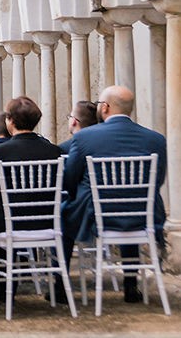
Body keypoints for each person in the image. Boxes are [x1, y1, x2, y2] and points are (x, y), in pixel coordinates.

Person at [61, 86, 167, 303]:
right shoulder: (156, 139)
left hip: (97, 215)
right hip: (142, 214)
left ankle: (61, 286)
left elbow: (69, 179)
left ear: (105, 107)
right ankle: (130, 284)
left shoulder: (84, 138)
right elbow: (157, 181)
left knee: (63, 214)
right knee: (129, 204)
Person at [0, 96, 62, 302]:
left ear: (10, 121)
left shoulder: (2, 151)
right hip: (47, 219)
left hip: (9, 218)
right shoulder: (53, 150)